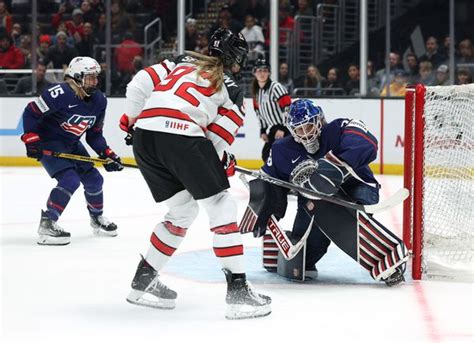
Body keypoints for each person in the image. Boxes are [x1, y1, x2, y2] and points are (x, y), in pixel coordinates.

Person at [119, 28, 271, 320]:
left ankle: (143, 281)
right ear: (233, 57)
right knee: (221, 205)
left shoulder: (180, 60)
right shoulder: (234, 91)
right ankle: (239, 293)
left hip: (145, 139)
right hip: (182, 137)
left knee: (182, 212)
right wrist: (219, 161)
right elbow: (215, 142)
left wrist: (133, 119)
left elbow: (138, 85)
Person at [252, 99, 407, 285]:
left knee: (341, 217)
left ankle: (385, 258)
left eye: (309, 126)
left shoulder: (339, 128)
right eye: (299, 130)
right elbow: (270, 183)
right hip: (312, 201)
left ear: (319, 120)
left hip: (358, 187)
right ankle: (280, 251)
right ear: (292, 131)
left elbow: (368, 144)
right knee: (304, 261)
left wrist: (332, 167)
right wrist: (264, 208)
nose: (306, 134)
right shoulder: (281, 150)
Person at [20, 56, 123, 245]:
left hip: (71, 143)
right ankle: (48, 223)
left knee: (94, 179)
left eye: (95, 77)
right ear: (77, 77)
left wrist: (107, 153)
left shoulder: (99, 100)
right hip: (49, 142)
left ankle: (96, 219)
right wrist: (31, 138)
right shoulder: (59, 93)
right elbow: (31, 112)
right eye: (90, 77)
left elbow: (94, 134)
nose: (95, 81)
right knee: (70, 180)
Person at [251, 57, 292, 162]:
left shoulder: (276, 87)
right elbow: (259, 113)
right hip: (274, 128)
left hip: (286, 128)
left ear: (269, 72)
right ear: (254, 73)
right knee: (266, 155)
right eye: (259, 70)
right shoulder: (256, 92)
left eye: (265, 70)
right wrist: (263, 130)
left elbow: (288, 107)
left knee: (277, 154)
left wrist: (283, 128)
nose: (262, 73)